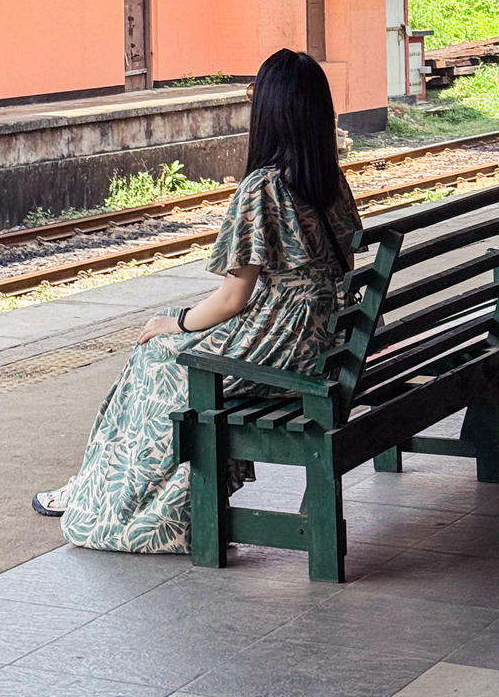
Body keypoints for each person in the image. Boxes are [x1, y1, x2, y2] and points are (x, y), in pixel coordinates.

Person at [32, 47, 361, 555]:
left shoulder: (265, 187)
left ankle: (118, 501)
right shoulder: (329, 180)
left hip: (282, 350)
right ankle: (95, 484)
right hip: (321, 341)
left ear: (270, 113)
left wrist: (177, 322)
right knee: (163, 357)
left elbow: (232, 298)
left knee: (156, 357)